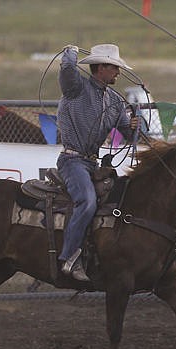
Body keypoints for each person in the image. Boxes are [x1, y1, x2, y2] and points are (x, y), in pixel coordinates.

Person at [56, 43, 138, 281]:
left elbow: (127, 134)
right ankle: (69, 257)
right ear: (100, 67)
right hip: (72, 160)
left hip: (93, 164)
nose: (118, 73)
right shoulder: (76, 88)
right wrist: (70, 51)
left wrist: (133, 127)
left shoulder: (115, 101)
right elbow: (67, 69)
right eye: (114, 67)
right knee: (87, 201)